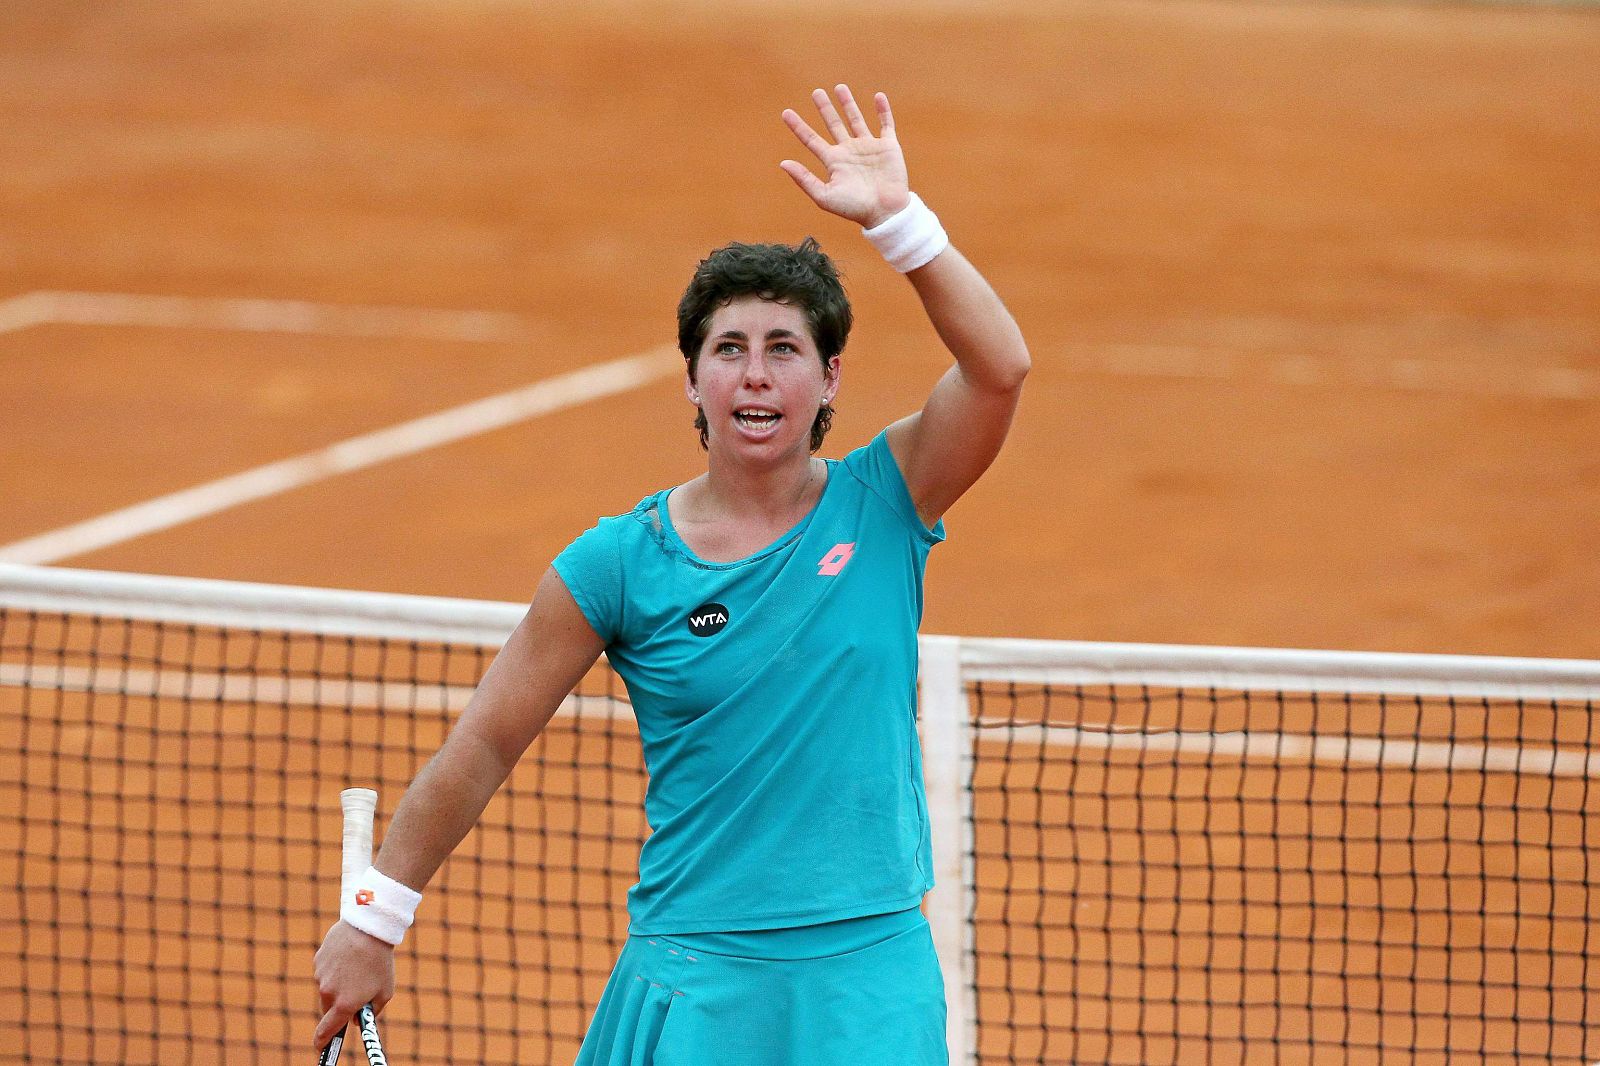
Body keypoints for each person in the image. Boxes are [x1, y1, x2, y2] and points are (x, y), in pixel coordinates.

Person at [314, 83, 1029, 1065]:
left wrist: (901, 223)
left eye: (785, 349)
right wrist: (373, 919)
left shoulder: (889, 497)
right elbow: (481, 744)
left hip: (868, 974)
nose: (754, 374)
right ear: (693, 379)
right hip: (693, 979)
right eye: (726, 349)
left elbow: (999, 368)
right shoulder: (616, 564)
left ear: (828, 381)